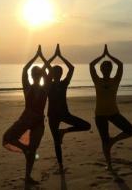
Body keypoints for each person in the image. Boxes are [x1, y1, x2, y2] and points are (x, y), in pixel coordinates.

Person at [3, 45, 52, 186]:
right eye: (34, 75)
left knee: (33, 150)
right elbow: (25, 70)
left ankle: (27, 176)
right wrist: (37, 56)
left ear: (41, 76)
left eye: (38, 74)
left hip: (37, 122)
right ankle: (25, 149)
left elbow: (49, 74)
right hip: (25, 119)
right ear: (32, 76)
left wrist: (42, 58)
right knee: (8, 137)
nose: (36, 76)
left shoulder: (45, 88)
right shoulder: (28, 88)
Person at [90, 44, 132, 171]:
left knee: (131, 130)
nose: (106, 69)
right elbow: (91, 65)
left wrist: (109, 56)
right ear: (101, 69)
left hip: (113, 113)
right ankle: (109, 165)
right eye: (104, 67)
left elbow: (120, 65)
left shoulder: (115, 80)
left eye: (108, 67)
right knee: (104, 140)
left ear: (111, 69)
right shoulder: (96, 80)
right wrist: (101, 56)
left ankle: (113, 141)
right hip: (100, 115)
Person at [47, 44, 91, 172]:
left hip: (65, 113)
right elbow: (45, 68)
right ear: (52, 74)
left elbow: (71, 68)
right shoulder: (48, 84)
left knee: (86, 126)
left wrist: (60, 56)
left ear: (61, 74)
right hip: (53, 116)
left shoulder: (64, 83)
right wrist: (53, 57)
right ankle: (60, 165)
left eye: (60, 72)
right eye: (56, 72)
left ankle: (64, 131)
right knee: (56, 142)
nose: (58, 74)